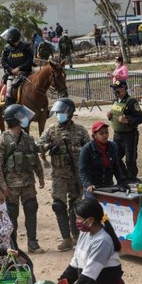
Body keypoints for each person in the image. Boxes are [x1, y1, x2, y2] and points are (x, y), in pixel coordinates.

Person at [0, 104, 45, 253]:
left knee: (31, 209)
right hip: (11, 185)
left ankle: (33, 243)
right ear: (14, 120)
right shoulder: (3, 140)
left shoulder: (28, 138)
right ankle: (12, 245)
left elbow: (35, 158)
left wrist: (40, 176)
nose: (25, 119)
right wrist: (3, 185)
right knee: (12, 214)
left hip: (28, 183)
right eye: (21, 116)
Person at [39, 98, 89, 251]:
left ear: (70, 113)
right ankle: (66, 238)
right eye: (58, 112)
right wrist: (48, 147)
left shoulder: (80, 131)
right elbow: (38, 146)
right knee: (58, 205)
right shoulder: (51, 130)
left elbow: (89, 150)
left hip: (76, 176)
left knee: (76, 205)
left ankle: (76, 236)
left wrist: (77, 151)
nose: (59, 115)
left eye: (62, 112)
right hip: (59, 175)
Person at [106, 80, 142, 182]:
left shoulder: (131, 102)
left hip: (129, 135)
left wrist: (127, 121)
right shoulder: (115, 100)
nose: (115, 91)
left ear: (124, 88)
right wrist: (110, 116)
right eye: (114, 89)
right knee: (115, 157)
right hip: (117, 135)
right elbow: (116, 115)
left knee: (130, 160)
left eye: (117, 89)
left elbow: (140, 118)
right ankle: (125, 177)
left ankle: (132, 180)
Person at [78, 120, 127, 194]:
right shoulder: (86, 149)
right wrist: (88, 185)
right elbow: (82, 171)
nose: (105, 135)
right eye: (101, 133)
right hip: (93, 187)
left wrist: (122, 182)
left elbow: (116, 167)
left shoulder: (113, 146)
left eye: (106, 132)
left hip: (108, 186)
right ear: (94, 135)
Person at [0, 27, 35, 107]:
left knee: (37, 86)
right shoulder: (7, 48)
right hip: (12, 75)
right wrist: (12, 70)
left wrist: (19, 69)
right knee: (9, 90)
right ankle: (8, 109)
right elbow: (3, 61)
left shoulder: (26, 46)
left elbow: (29, 60)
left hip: (27, 73)